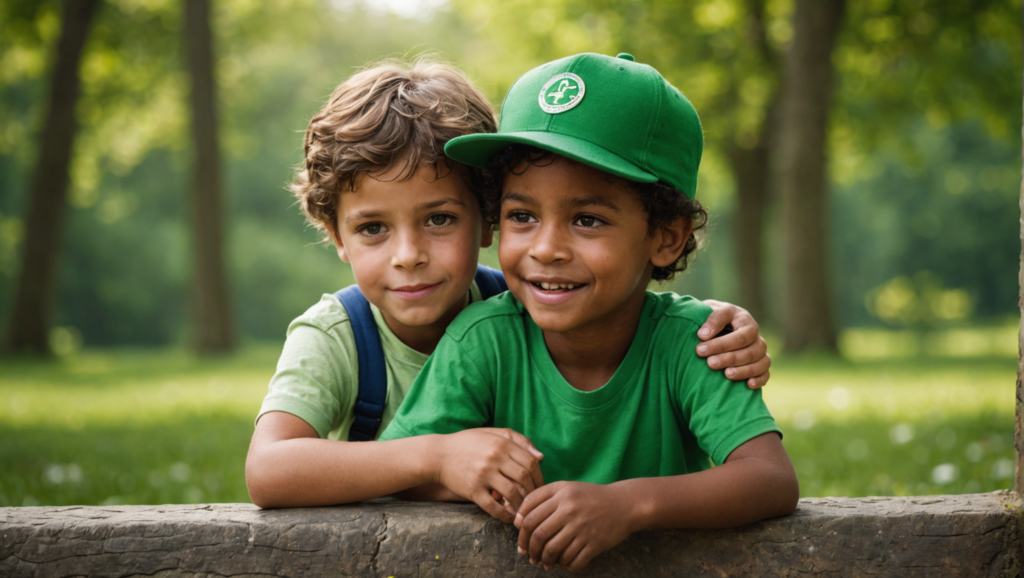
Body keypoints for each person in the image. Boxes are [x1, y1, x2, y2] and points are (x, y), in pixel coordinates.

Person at [244, 59, 775, 515]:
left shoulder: (532, 303)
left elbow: (766, 474)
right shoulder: (354, 335)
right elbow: (270, 469)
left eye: (439, 219)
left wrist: (718, 325)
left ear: (484, 221)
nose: (408, 256)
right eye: (373, 228)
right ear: (336, 235)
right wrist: (439, 457)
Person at [377, 53, 799, 571]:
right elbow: (401, 471)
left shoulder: (695, 343)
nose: (547, 248)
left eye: (588, 219)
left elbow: (770, 478)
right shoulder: (483, 340)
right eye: (522, 215)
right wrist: (463, 474)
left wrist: (628, 505)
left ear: (666, 237)